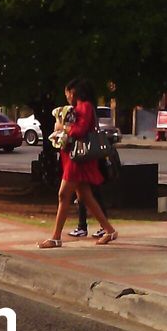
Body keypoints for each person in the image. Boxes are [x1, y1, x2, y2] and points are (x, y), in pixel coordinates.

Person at [38, 77, 118, 248]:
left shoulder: (85, 107)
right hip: (76, 158)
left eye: (68, 93)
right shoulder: (79, 107)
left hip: (77, 160)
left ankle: (56, 237)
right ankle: (109, 231)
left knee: (64, 194)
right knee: (85, 196)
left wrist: (62, 127)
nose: (67, 96)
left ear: (74, 92)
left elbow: (79, 130)